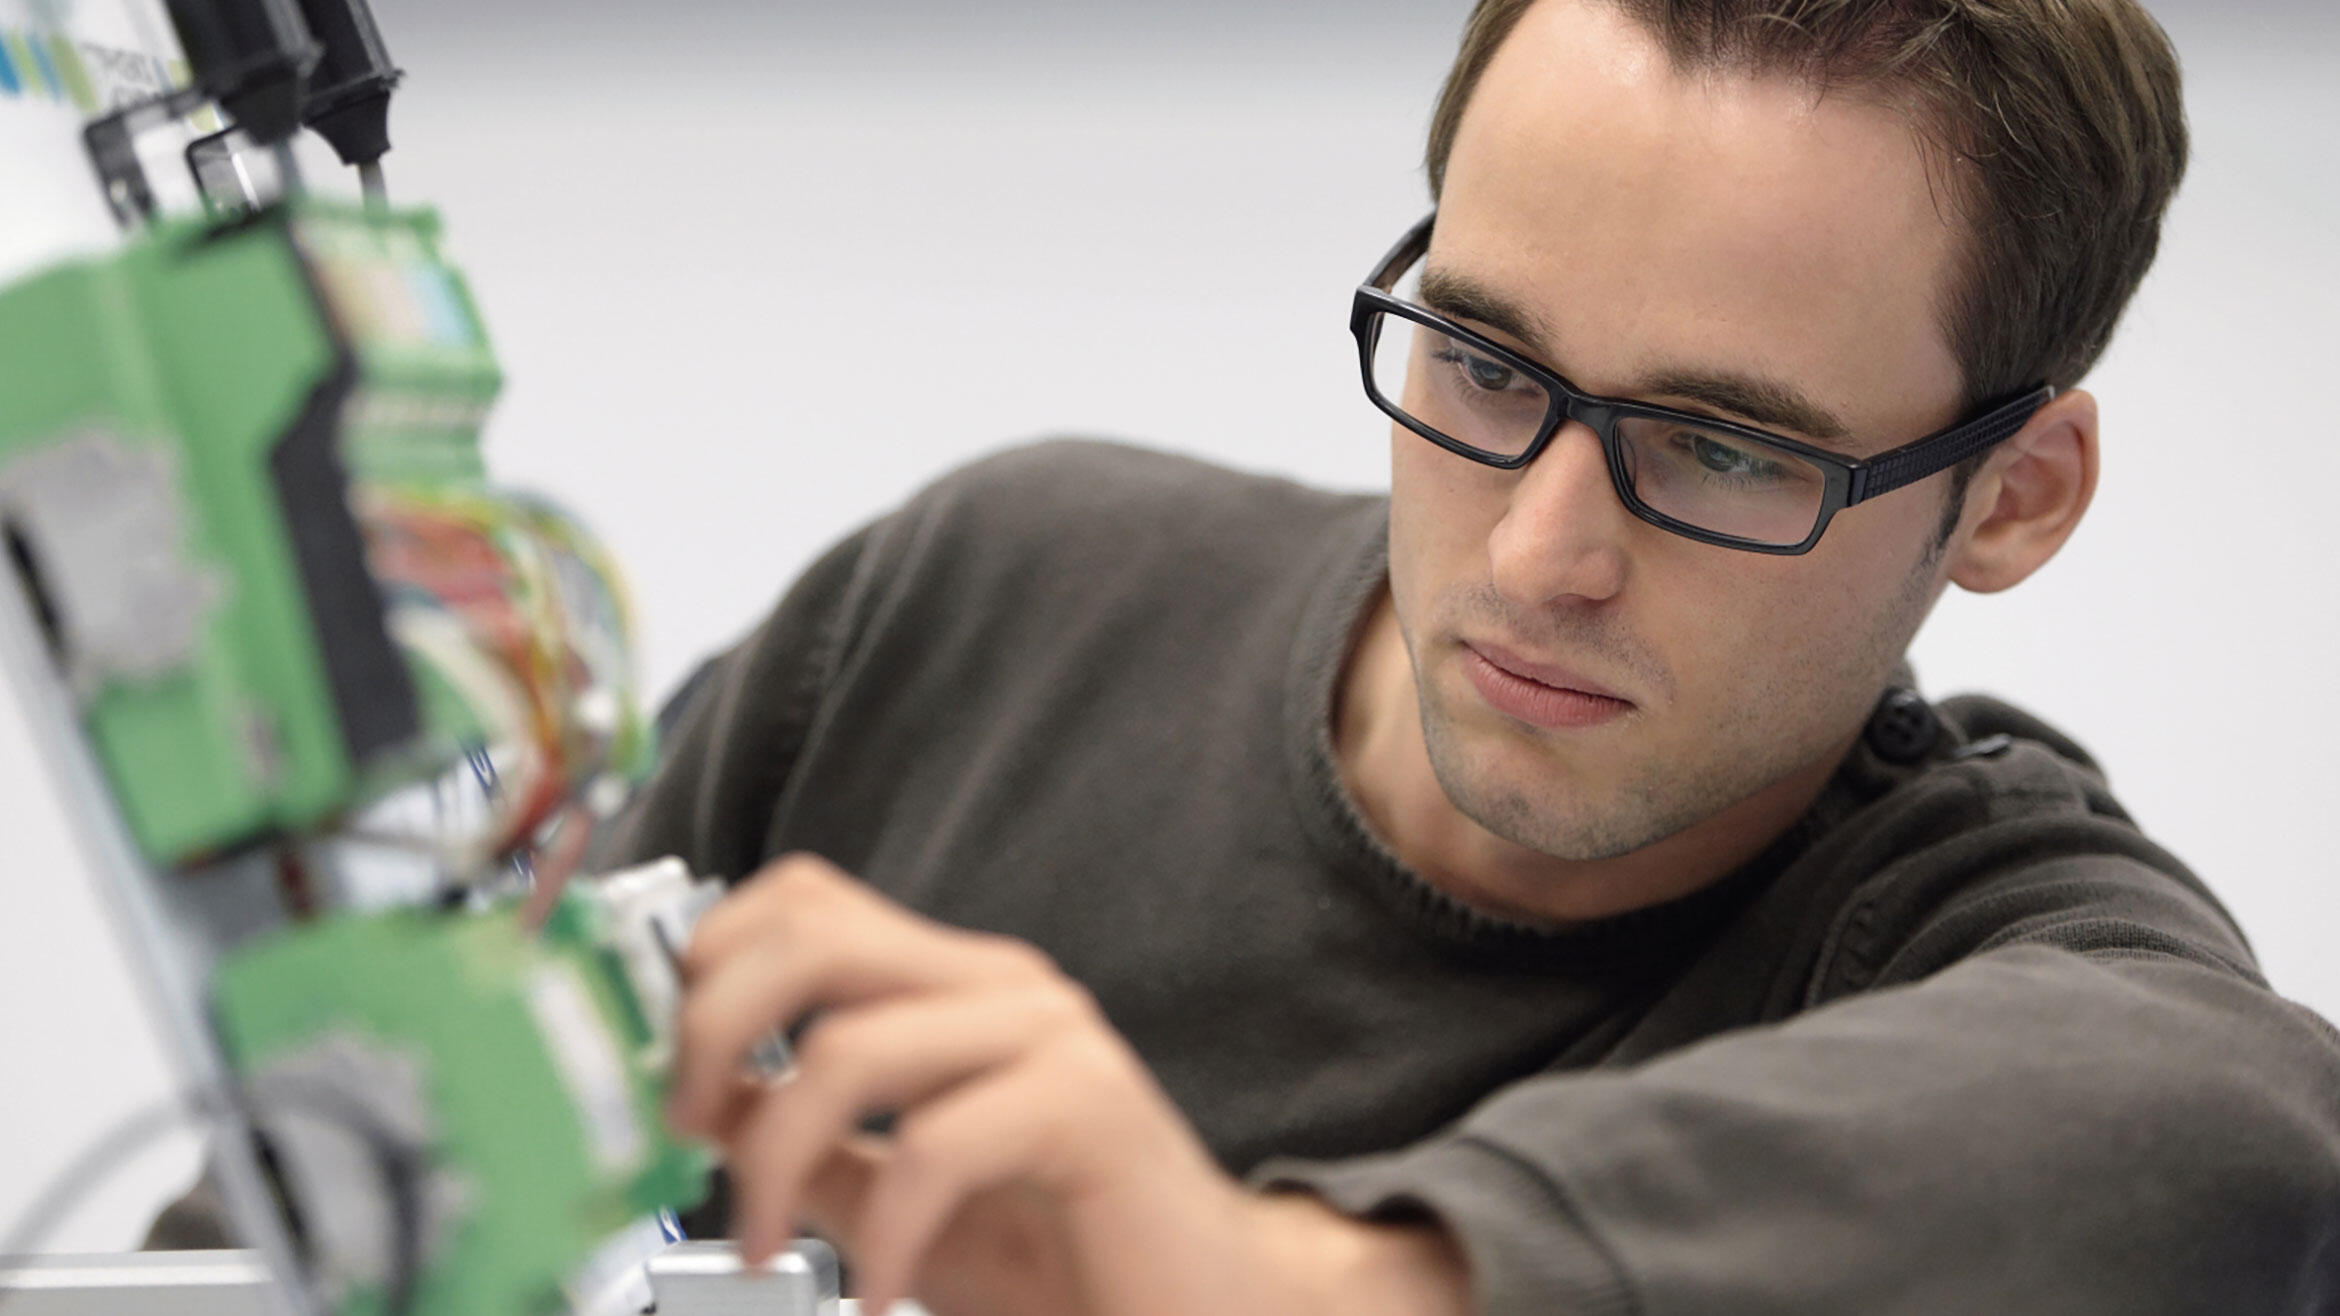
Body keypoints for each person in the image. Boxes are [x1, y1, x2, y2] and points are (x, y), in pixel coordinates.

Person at [606, 1, 2340, 1313]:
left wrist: (1264, 1275)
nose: (1539, 556)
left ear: (2009, 503)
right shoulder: (990, 588)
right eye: (1485, 366)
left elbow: (2241, 1126)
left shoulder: (1962, 949)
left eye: (1726, 451)